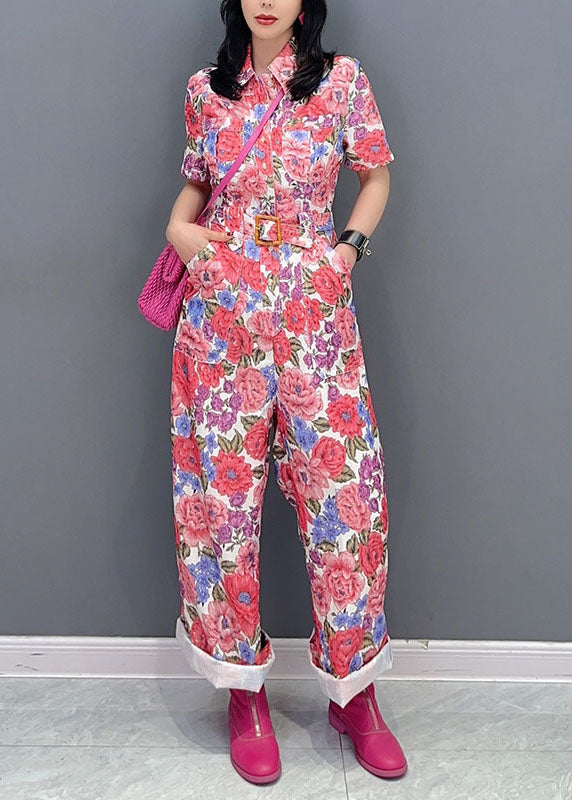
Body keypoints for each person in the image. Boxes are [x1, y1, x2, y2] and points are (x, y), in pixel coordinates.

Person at [166, 0, 407, 785]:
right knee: (221, 507)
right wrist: (180, 231)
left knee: (347, 501)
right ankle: (245, 695)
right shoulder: (207, 90)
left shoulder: (341, 82)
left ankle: (355, 696)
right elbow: (196, 188)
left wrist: (344, 255)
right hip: (221, 312)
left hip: (313, 308)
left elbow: (376, 175)